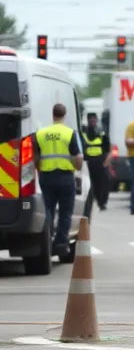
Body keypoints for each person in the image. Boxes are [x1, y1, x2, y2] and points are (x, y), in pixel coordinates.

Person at [34, 103, 83, 259]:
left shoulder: (41, 133)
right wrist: (76, 167)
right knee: (65, 212)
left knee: (48, 209)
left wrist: (40, 170)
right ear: (64, 115)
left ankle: (46, 240)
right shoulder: (69, 133)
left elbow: (35, 157)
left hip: (47, 176)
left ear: (52, 114)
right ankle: (61, 244)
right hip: (65, 176)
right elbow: (79, 157)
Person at [81, 112, 112, 211]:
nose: (93, 121)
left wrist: (107, 161)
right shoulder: (84, 132)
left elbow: (108, 149)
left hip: (100, 162)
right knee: (90, 184)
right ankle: (90, 203)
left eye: (94, 119)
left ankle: (102, 203)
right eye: (91, 119)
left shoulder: (102, 132)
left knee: (103, 183)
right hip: (88, 162)